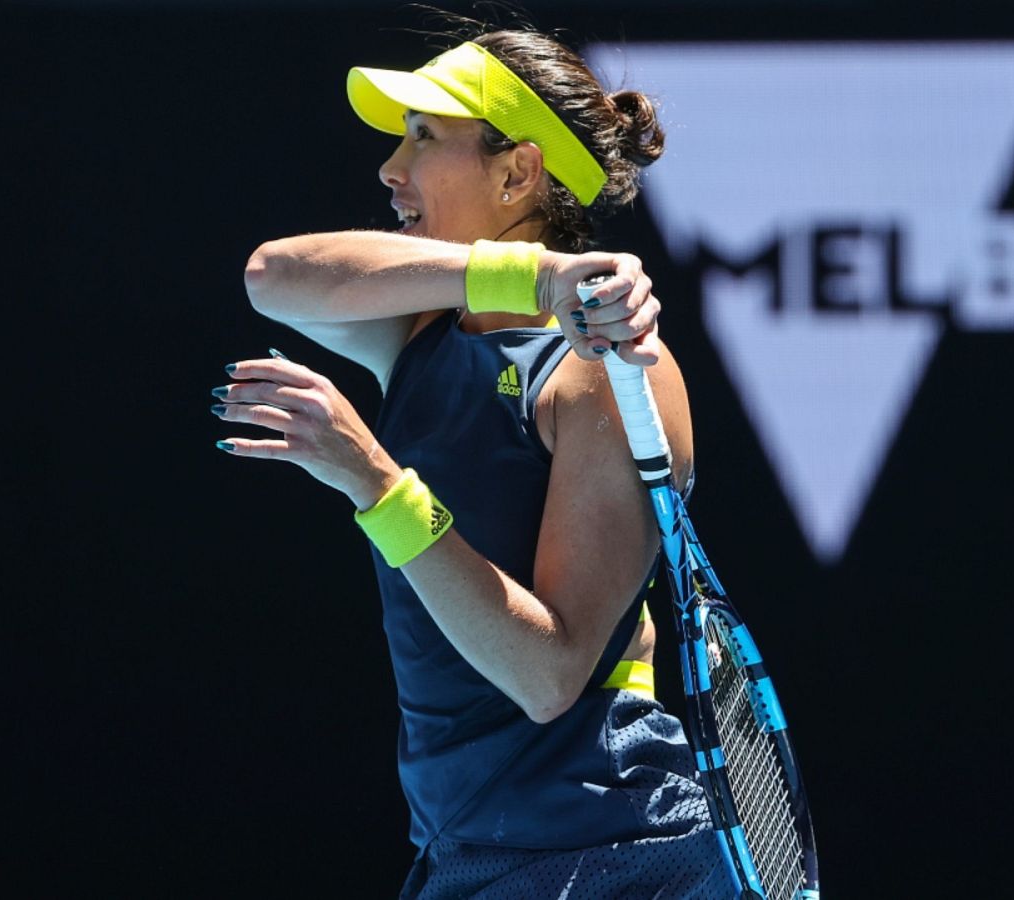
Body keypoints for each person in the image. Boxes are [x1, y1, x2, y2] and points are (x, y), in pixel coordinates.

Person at [212, 25, 731, 898]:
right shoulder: (423, 331)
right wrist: (537, 276)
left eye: (424, 137)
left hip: (614, 851)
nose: (391, 168)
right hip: (464, 848)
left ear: (517, 172)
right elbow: (274, 275)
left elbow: (548, 675)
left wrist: (375, 483)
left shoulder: (604, 374)